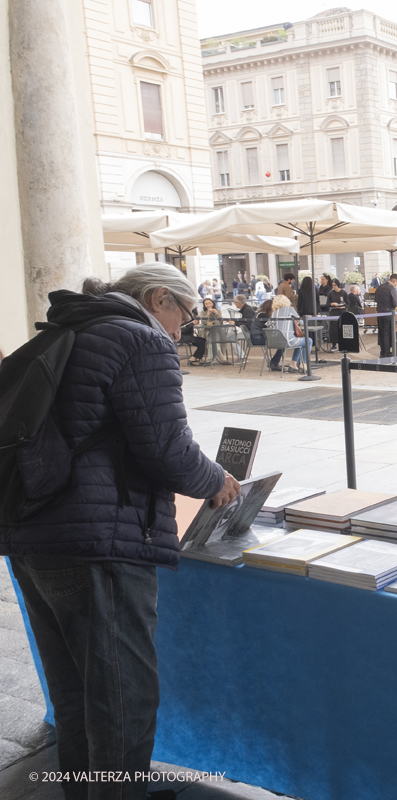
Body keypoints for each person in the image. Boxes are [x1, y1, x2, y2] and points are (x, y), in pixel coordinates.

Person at [0, 263, 239, 800]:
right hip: (97, 543)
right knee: (122, 698)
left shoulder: (72, 328)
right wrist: (217, 480)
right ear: (159, 299)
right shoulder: (140, 340)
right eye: (186, 314)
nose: (183, 331)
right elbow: (167, 450)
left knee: (76, 690)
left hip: (34, 531)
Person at [269, 294, 309, 373]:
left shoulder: (274, 313)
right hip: (288, 340)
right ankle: (303, 364)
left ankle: (293, 365)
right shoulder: (290, 309)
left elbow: (269, 325)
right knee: (308, 341)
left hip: (276, 342)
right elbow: (301, 322)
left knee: (300, 341)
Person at [375, 273, 397, 358]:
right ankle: (387, 352)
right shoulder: (391, 289)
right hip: (388, 313)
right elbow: (395, 303)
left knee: (381, 333)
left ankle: (382, 352)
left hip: (379, 312)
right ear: (395, 281)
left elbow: (376, 300)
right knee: (387, 333)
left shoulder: (379, 287)